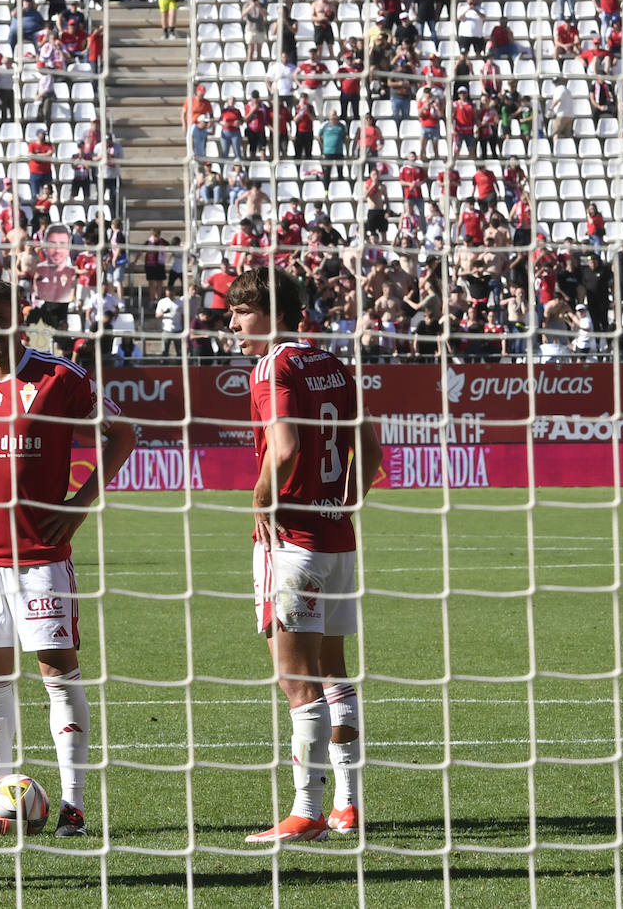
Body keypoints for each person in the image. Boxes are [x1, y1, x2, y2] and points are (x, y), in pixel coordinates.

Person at [0, 278, 137, 840]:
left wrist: (81, 504)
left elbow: (122, 433)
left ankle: (72, 804)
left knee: (56, 669)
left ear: (19, 318)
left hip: (42, 554)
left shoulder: (60, 376)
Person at [226, 266, 382, 844]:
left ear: (271, 312)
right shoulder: (335, 364)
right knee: (335, 673)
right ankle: (348, 806)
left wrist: (261, 502)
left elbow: (286, 447)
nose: (233, 324)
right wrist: (347, 498)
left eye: (241, 312)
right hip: (338, 539)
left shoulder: (274, 366)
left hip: (292, 543)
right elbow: (370, 447)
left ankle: (307, 811)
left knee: (298, 684)